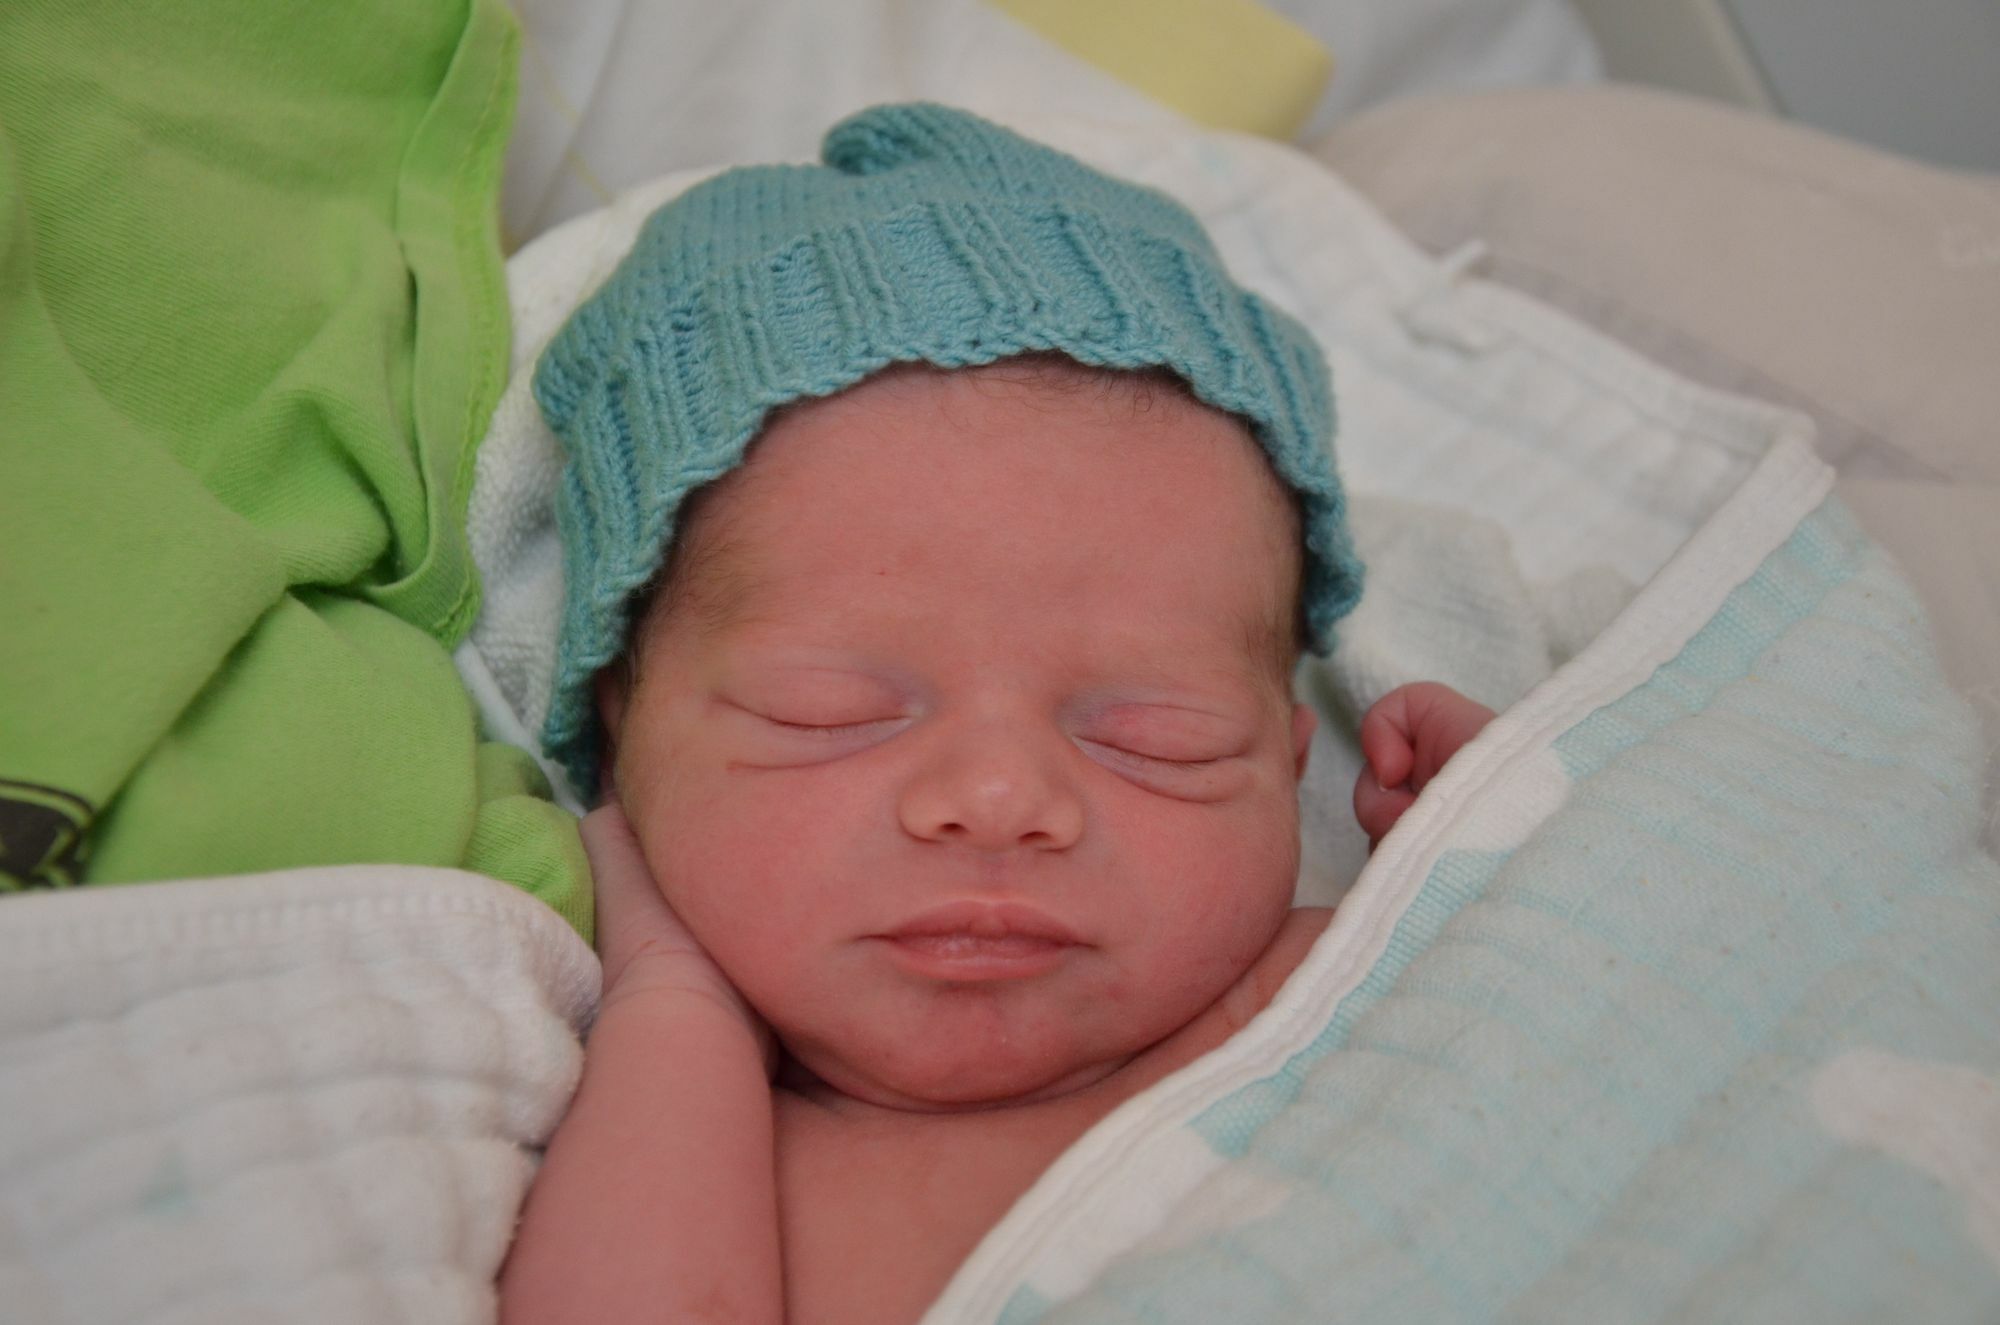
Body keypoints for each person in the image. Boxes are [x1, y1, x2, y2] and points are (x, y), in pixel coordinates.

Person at [499, 104, 1495, 1324]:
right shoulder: (690, 1151)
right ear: (625, 736)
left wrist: (1504, 834)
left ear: (1286, 769)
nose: (998, 798)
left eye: (1155, 734)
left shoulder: (1342, 987)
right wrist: (671, 1000)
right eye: (827, 710)